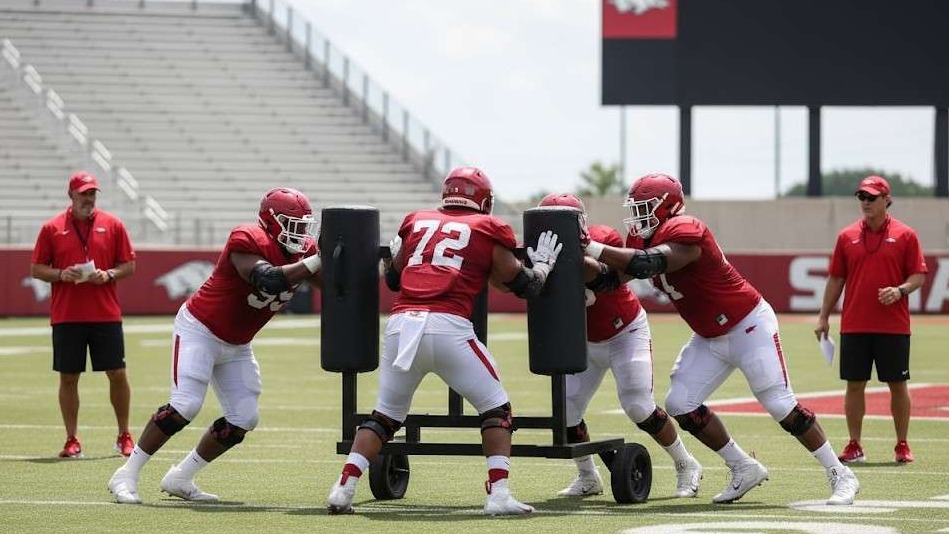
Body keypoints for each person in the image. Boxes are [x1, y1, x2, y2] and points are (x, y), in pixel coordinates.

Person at [585, 173, 860, 505]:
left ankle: (840, 473)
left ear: (667, 208)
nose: (638, 217)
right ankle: (742, 466)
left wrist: (593, 246)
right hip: (709, 335)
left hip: (748, 326)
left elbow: (651, 263)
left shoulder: (687, 230)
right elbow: (610, 280)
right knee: (680, 404)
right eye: (635, 209)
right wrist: (575, 257)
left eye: (645, 208)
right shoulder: (642, 239)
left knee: (780, 403)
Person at [325, 167, 563, 516]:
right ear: (483, 200)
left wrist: (394, 259)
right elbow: (523, 285)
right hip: (448, 328)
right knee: (497, 410)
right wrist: (541, 268)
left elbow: (392, 278)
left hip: (401, 325)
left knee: (385, 416)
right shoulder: (487, 226)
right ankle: (498, 495)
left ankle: (343, 489)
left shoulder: (416, 221)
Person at [108, 187, 323, 504]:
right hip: (201, 329)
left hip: (237, 343)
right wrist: (319, 259)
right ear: (271, 220)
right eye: (293, 223)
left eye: (304, 225)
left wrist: (350, 256)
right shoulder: (247, 238)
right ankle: (126, 474)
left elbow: (331, 285)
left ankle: (181, 477)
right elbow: (269, 280)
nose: (300, 233)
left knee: (244, 417)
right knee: (185, 405)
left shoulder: (304, 251)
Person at [538, 193, 703, 499]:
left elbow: (596, 274)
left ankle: (686, 463)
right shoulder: (538, 251)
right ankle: (588, 477)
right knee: (566, 412)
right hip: (585, 341)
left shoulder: (603, 238)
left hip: (624, 332)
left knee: (638, 405)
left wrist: (566, 257)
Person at [815, 175, 928, 464]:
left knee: (897, 385)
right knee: (854, 385)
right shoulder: (846, 236)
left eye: (871, 197)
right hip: (854, 324)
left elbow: (918, 275)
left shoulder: (906, 235)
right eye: (861, 197)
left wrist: (900, 290)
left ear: (886, 200)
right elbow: (836, 278)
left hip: (893, 326)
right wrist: (824, 316)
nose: (865, 202)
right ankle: (855, 444)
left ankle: (902, 443)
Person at [30, 171, 137, 459]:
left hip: (106, 314)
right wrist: (61, 274)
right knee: (68, 377)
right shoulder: (51, 228)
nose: (88, 199)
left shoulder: (113, 225)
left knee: (117, 373)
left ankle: (124, 435)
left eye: (92, 194)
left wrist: (110, 273)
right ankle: (72, 439)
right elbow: (37, 269)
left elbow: (128, 265)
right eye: (84, 194)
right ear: (71, 196)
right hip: (67, 315)